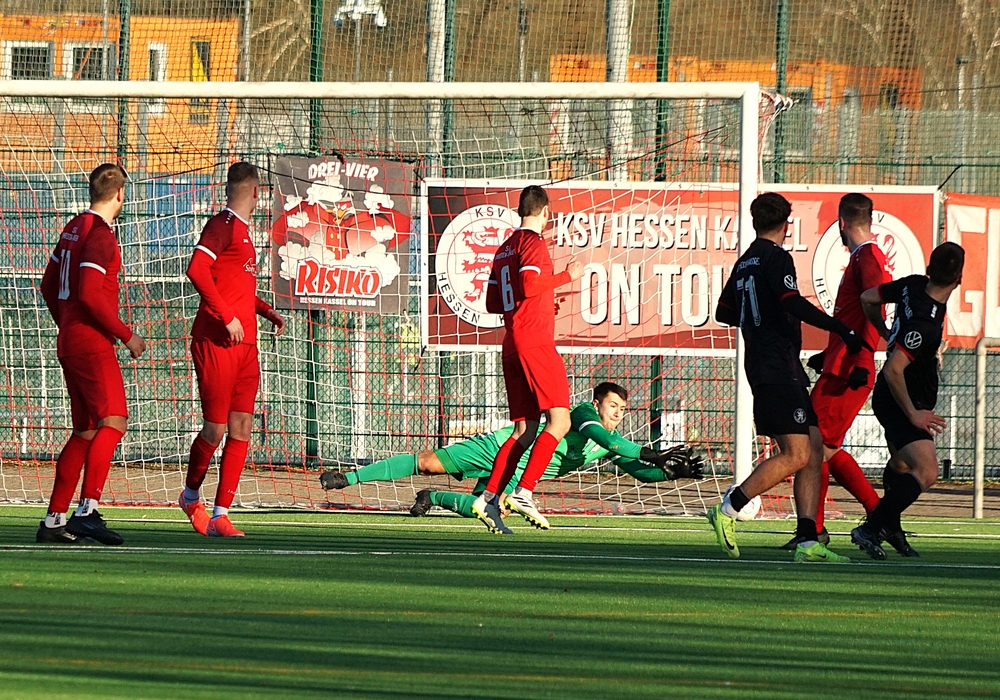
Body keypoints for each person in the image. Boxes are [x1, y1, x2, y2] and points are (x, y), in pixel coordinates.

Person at [710, 192, 867, 563]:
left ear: (754, 222)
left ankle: (807, 539)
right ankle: (728, 509)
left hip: (776, 365)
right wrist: (838, 328)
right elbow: (790, 301)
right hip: (775, 366)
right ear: (786, 224)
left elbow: (723, 312)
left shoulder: (745, 261)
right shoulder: (776, 257)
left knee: (814, 449)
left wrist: (758, 319)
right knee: (796, 454)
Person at [317, 382, 703, 526]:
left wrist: (671, 472)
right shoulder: (584, 415)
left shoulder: (609, 439)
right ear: (598, 402)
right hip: (503, 447)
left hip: (517, 474)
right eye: (613, 405)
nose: (618, 413)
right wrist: (654, 453)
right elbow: (611, 442)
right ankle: (347, 477)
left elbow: (638, 471)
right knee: (427, 463)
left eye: (622, 409)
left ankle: (432, 498)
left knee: (487, 509)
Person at [37, 163, 146, 545]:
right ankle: (86, 511)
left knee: (84, 431)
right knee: (114, 421)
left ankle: (54, 519)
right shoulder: (100, 234)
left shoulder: (73, 227)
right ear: (120, 194)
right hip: (91, 342)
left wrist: (66, 323)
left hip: (71, 339)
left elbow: (48, 286)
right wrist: (127, 335)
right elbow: (88, 293)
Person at [177, 162, 286, 538]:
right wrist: (225, 317)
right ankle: (191, 496)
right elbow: (196, 269)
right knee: (215, 429)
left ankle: (221, 513)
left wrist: (266, 311)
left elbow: (234, 287)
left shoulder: (243, 233)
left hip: (245, 345)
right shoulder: (222, 225)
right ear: (256, 191)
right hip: (216, 341)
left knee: (241, 426)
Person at [470, 186, 583, 534]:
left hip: (512, 342)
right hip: (535, 342)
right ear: (546, 212)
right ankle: (524, 492)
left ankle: (489, 497)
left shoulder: (504, 247)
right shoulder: (532, 243)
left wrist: (538, 305)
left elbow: (493, 303)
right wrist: (567, 277)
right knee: (560, 421)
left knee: (525, 429)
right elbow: (531, 285)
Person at [781, 193, 888, 550]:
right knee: (825, 447)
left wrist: (859, 358)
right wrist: (828, 354)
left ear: (842, 223)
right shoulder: (862, 257)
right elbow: (858, 316)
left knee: (811, 446)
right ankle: (879, 516)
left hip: (848, 370)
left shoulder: (867, 257)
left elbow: (874, 309)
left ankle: (816, 529)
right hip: (841, 365)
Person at [850, 242, 965, 560]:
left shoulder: (913, 284)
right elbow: (893, 369)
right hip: (901, 399)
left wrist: (884, 331)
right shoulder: (925, 325)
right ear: (959, 279)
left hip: (897, 396)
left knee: (901, 465)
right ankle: (872, 527)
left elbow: (868, 297)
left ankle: (891, 527)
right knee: (927, 470)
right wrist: (913, 414)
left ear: (929, 269)